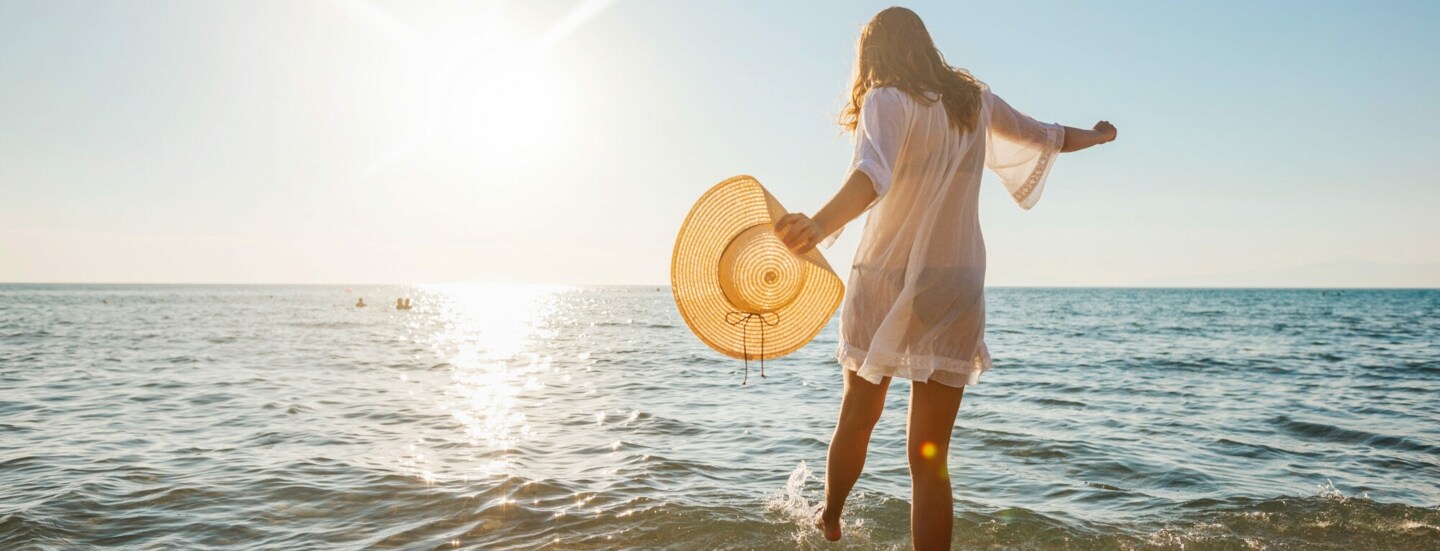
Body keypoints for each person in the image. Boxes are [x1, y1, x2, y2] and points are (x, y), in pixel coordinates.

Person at [773, 7, 1117, 549]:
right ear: (926, 46)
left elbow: (871, 174)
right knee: (930, 456)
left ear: (872, 54)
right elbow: (1044, 135)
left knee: (859, 415)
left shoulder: (885, 98)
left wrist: (818, 224)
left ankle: (831, 517)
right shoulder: (972, 102)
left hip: (887, 275)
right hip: (956, 282)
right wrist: (1096, 136)